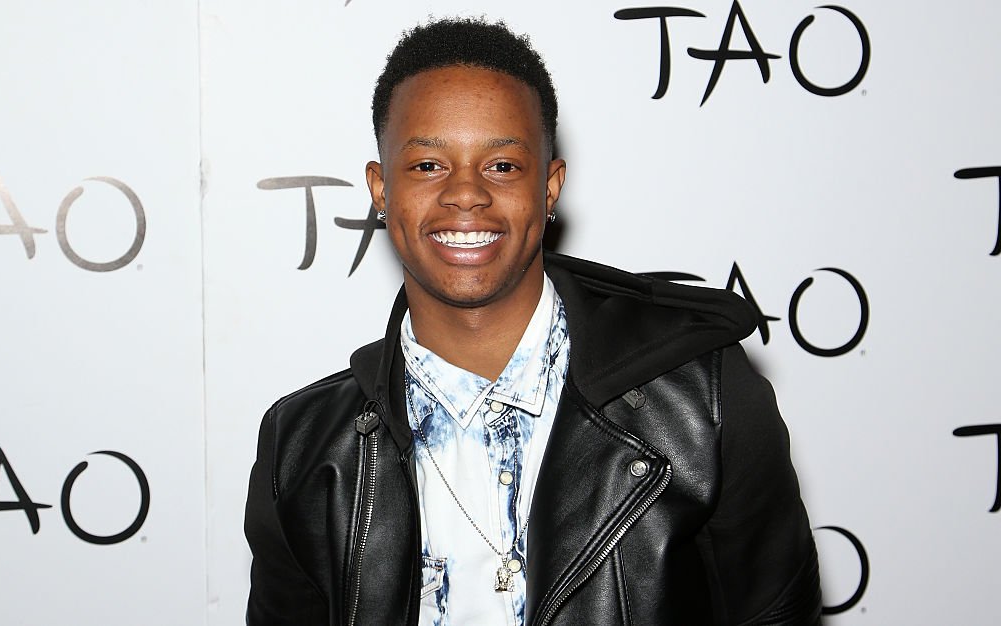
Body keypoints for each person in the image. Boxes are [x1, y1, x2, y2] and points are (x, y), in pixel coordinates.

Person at [245, 17, 821, 625]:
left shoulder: (704, 402)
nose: (465, 193)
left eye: (501, 166)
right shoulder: (304, 448)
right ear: (380, 189)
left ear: (550, 188)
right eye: (427, 166)